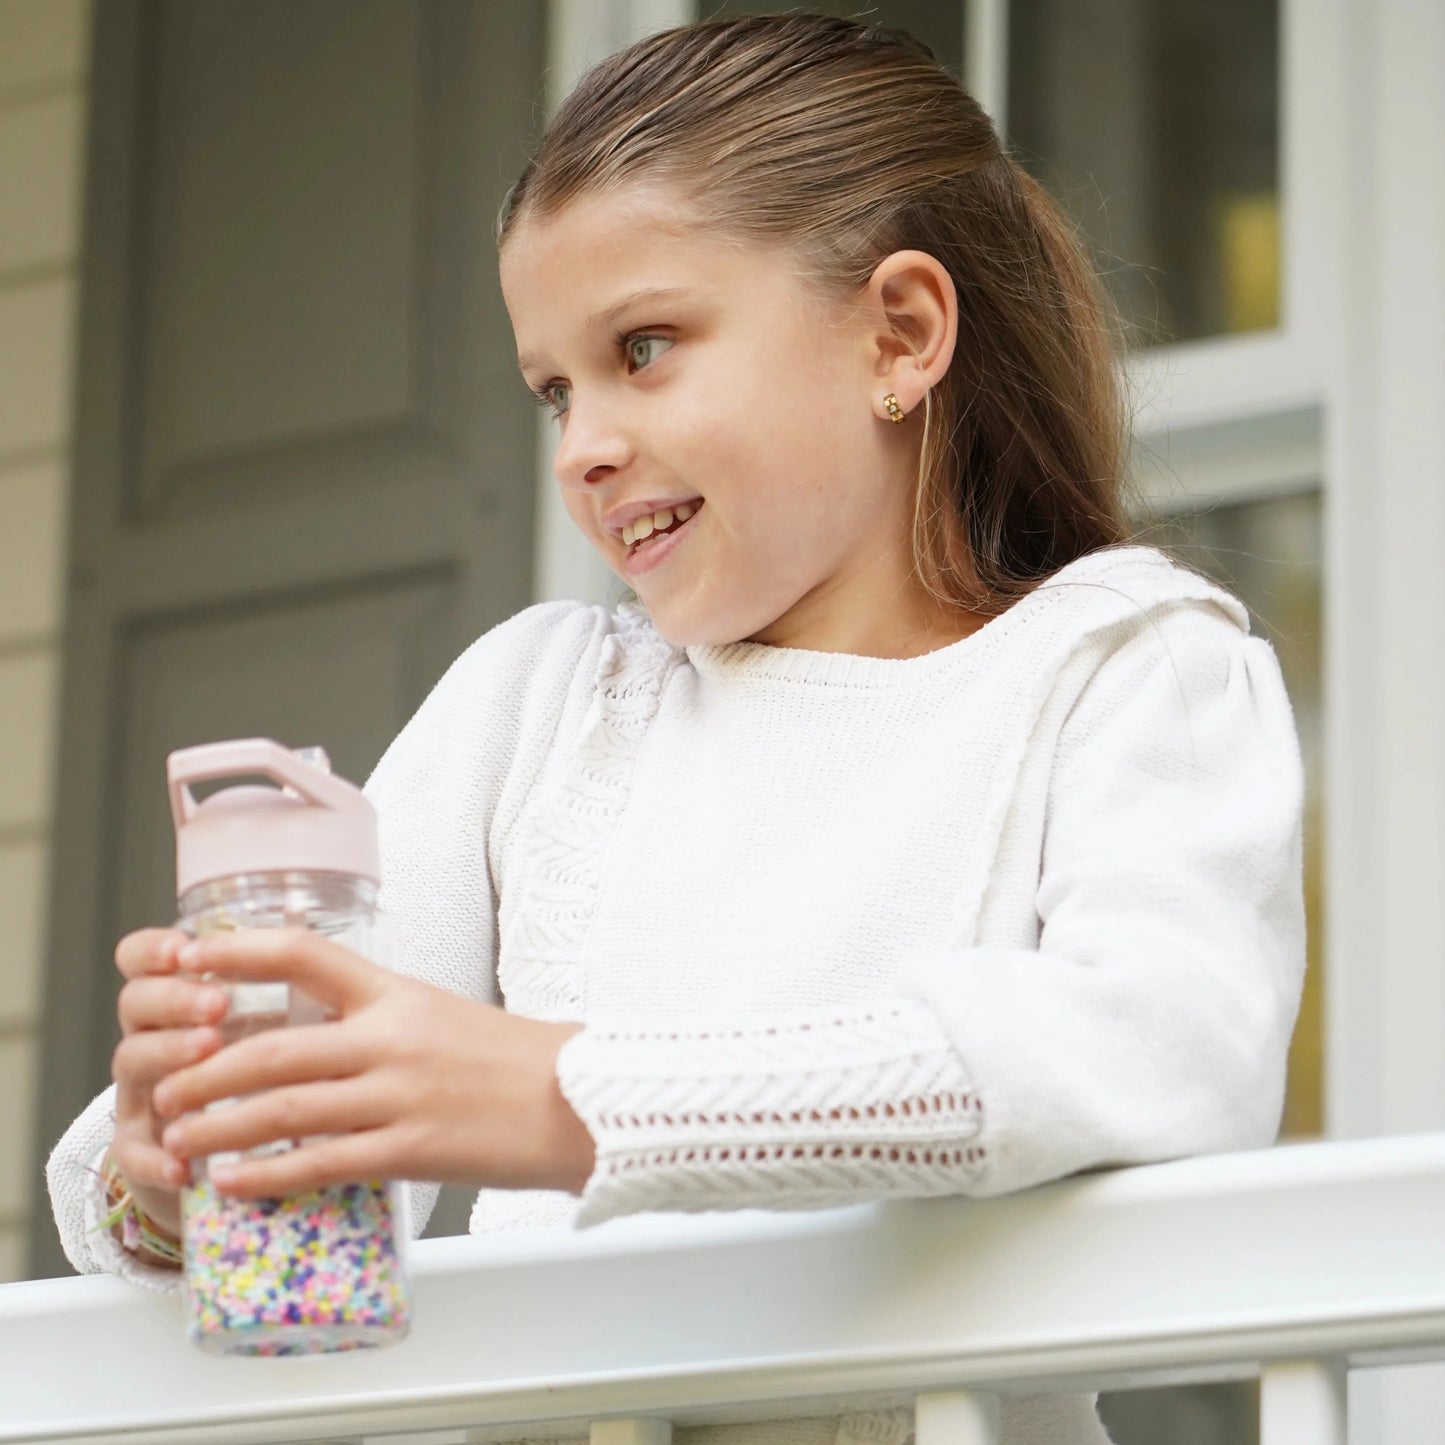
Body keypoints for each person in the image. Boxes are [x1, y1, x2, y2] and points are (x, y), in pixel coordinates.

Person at [46, 14, 1305, 1445]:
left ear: (898, 333)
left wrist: (564, 1096)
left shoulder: (1123, 666)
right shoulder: (534, 701)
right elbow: (307, 1162)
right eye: (553, 388)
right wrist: (173, 1171)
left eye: (643, 348)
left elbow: (1161, 1051)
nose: (580, 440)